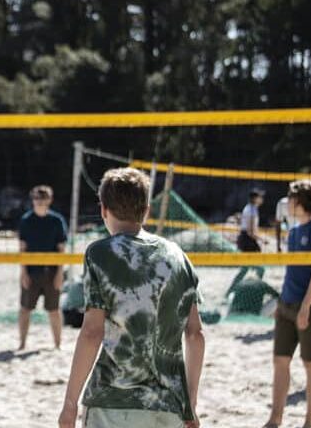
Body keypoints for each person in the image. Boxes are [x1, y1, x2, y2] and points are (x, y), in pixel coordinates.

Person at [58, 167, 204, 428]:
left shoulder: (100, 254)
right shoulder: (177, 256)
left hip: (113, 400)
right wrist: (189, 405)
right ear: (147, 209)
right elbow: (195, 335)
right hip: (168, 405)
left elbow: (92, 332)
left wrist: (70, 403)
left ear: (104, 209)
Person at [264, 179, 311, 428]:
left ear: (300, 202)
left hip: (309, 307)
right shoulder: (293, 232)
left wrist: (305, 307)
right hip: (287, 304)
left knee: (310, 364)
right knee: (280, 361)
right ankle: (275, 418)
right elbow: (293, 273)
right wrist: (282, 304)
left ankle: (310, 422)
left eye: (291, 200)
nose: (287, 204)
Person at [17, 185, 68, 350]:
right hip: (31, 272)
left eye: (43, 198)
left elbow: (62, 250)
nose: (40, 201)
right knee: (25, 309)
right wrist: (23, 273)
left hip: (51, 272)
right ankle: (22, 344)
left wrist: (60, 274)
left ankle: (57, 345)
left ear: (49, 200)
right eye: (37, 198)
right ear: (33, 200)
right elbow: (22, 249)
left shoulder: (57, 221)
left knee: (54, 310)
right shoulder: (26, 220)